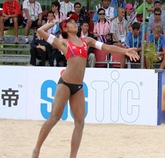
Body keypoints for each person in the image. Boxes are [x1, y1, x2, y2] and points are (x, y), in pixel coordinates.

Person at [31, 14, 139, 158]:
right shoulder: (63, 43)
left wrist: (124, 51)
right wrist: (53, 22)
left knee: (80, 122)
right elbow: (40, 31)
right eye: (71, 22)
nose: (75, 23)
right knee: (54, 118)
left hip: (78, 87)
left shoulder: (86, 41)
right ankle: (37, 149)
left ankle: (73, 156)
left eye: (75, 22)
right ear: (65, 28)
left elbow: (106, 47)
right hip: (65, 84)